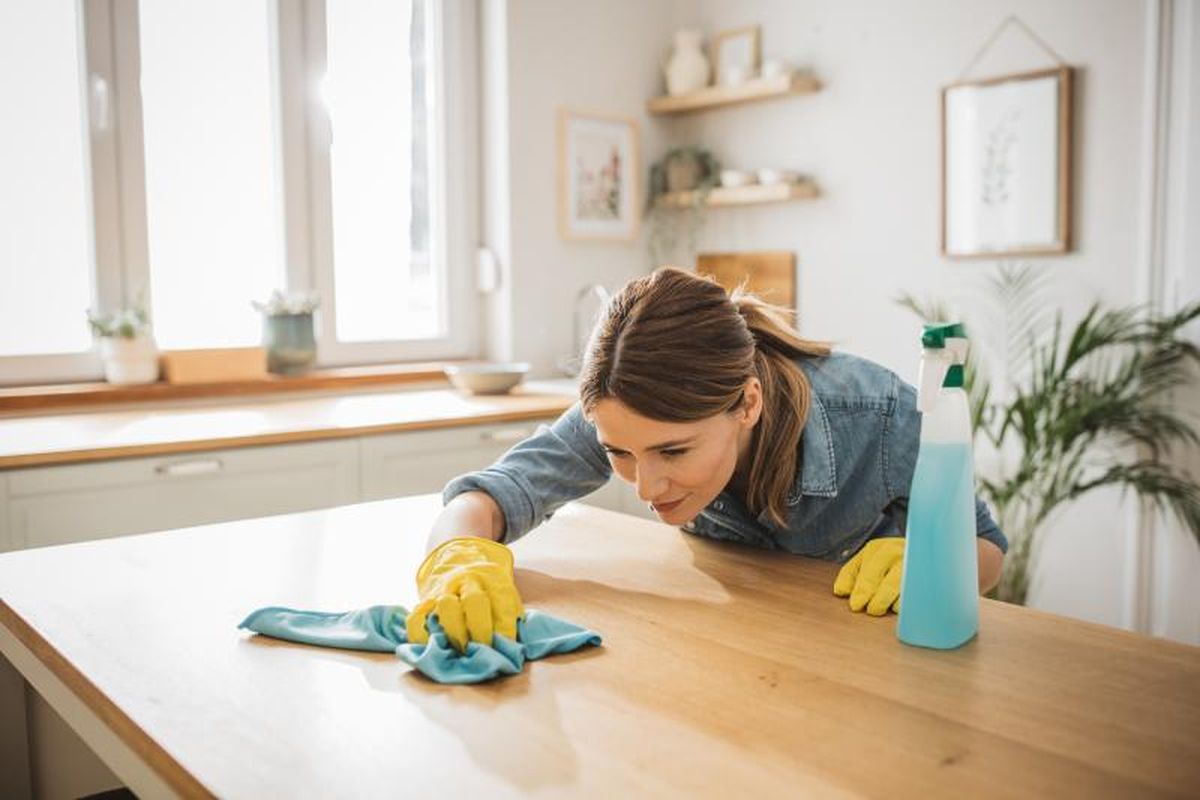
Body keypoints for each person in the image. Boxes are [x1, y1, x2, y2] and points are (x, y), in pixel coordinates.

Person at [406, 267, 1008, 651]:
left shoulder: (876, 414)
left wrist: (929, 560)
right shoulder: (628, 410)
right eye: (620, 453)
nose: (647, 486)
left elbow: (987, 548)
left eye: (673, 452)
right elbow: (488, 495)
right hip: (740, 645)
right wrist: (459, 558)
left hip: (879, 662)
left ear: (747, 403)